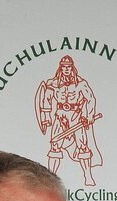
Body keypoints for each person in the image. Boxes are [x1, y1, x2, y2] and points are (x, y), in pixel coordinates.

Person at [36, 55, 102, 186]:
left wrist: (88, 115)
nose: (66, 69)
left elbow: (90, 99)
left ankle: (88, 177)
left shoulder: (80, 84)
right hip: (60, 117)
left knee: (82, 146)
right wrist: (46, 118)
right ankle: (49, 181)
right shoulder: (53, 84)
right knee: (55, 146)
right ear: (60, 68)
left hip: (76, 117)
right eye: (64, 67)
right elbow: (46, 100)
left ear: (72, 68)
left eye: (69, 67)